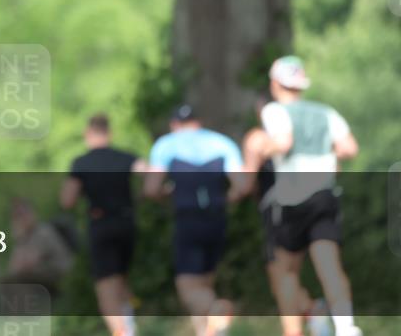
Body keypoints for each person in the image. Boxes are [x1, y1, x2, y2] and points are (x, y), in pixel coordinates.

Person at [252, 56, 360, 336]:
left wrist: (261, 148)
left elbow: (284, 141)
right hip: (324, 193)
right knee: (329, 265)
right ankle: (346, 326)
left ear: (275, 84)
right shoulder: (326, 112)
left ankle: (294, 331)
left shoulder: (274, 111)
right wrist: (323, 155)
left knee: (286, 270)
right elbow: (349, 148)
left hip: (292, 198)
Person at [143, 104, 249, 336]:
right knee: (205, 283)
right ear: (198, 122)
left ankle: (215, 309)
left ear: (174, 125)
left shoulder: (167, 145)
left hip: (187, 219)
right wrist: (225, 200)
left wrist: (167, 196)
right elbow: (242, 185)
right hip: (216, 218)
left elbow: (151, 188)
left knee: (188, 286)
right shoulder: (221, 143)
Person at [243, 94, 331, 336]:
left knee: (282, 275)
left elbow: (246, 182)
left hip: (278, 210)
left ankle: (294, 329)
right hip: (309, 204)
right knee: (286, 275)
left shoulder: (258, 138)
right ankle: (313, 310)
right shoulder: (306, 136)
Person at [61, 114, 146, 336]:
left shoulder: (81, 163)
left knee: (107, 290)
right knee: (121, 280)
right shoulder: (124, 157)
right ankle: (130, 326)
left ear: (87, 133)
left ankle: (123, 332)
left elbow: (67, 200)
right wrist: (141, 196)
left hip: (101, 225)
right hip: (127, 223)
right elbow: (150, 173)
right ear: (109, 133)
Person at [3, 198, 75, 297]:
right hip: (43, 275)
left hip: (60, 277)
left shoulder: (43, 233)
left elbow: (27, 265)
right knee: (9, 281)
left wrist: (20, 240)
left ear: (32, 213)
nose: (22, 219)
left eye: (24, 214)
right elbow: (13, 269)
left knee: (17, 281)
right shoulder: (26, 236)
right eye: (17, 216)